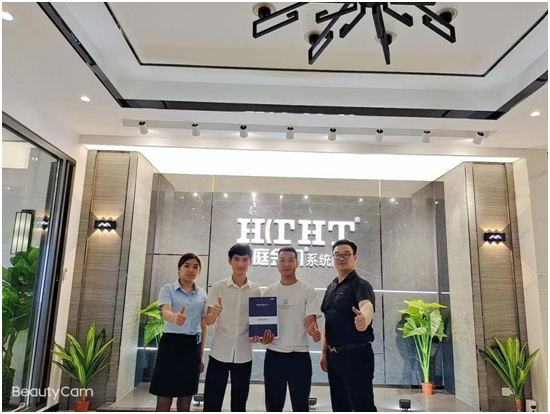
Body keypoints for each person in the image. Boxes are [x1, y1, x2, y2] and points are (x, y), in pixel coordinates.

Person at [203, 243, 268, 412]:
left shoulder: (256, 290)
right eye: (237, 259)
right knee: (211, 403)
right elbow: (208, 321)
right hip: (219, 353)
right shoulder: (218, 287)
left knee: (239, 404)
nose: (240, 264)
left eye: (245, 260)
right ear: (229, 261)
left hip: (244, 354)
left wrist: (259, 335)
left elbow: (258, 322)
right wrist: (214, 313)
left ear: (250, 262)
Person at [259, 246, 321, 412]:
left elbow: (310, 321)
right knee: (273, 407)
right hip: (274, 357)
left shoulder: (307, 290)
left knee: (301, 407)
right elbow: (264, 325)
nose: (286, 264)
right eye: (282, 260)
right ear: (277, 264)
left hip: (300, 357)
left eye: (290, 260)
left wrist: (313, 330)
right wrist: (263, 338)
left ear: (297, 263)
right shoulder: (269, 291)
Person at [320, 239, 377, 412]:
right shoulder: (331, 286)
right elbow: (327, 319)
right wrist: (324, 352)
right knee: (340, 406)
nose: (341, 258)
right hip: (334, 357)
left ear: (355, 258)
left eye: (346, 254)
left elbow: (366, 305)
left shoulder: (360, 284)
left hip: (356, 355)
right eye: (337, 255)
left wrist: (364, 319)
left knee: (362, 405)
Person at [149, 253, 208, 412]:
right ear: (179, 268)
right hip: (170, 345)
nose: (191, 270)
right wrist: (175, 317)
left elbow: (203, 325)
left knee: (185, 399)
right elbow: (166, 312)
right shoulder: (168, 289)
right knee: (164, 398)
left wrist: (201, 356)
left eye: (195, 267)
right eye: (186, 266)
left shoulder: (202, 294)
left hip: (192, 347)